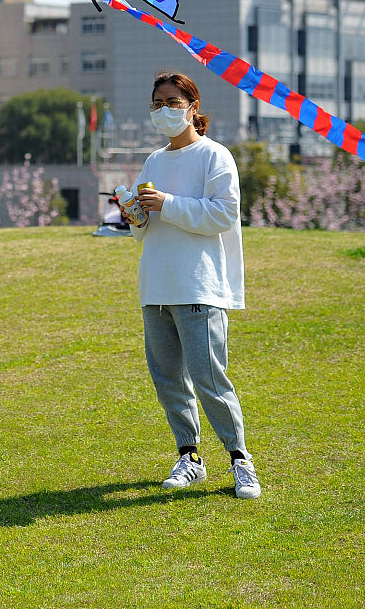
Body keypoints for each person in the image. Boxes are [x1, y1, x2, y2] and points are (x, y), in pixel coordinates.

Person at [125, 70, 262, 500]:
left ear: (193, 107)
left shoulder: (214, 156)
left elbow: (222, 215)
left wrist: (167, 203)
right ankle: (190, 456)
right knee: (168, 379)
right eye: (157, 104)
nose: (164, 110)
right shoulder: (154, 161)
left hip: (200, 284)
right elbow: (145, 230)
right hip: (156, 284)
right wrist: (136, 216)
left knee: (209, 378)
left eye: (172, 102)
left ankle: (241, 460)